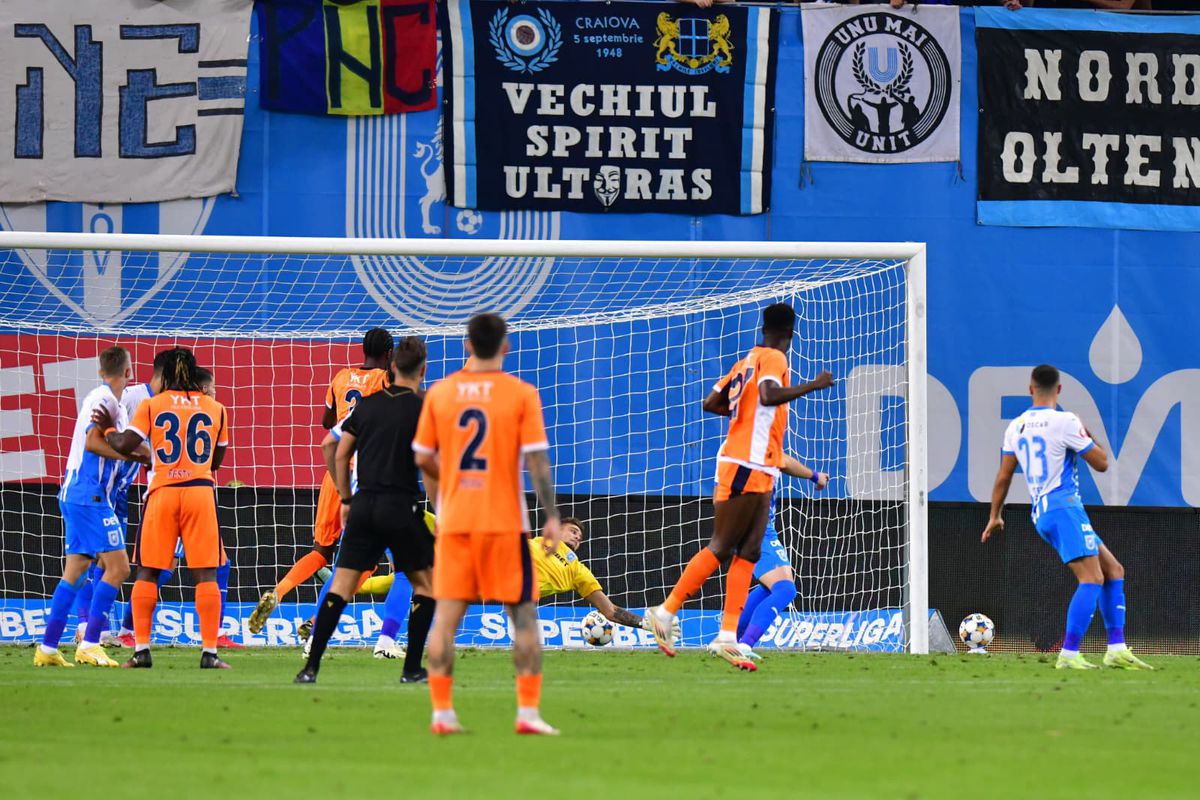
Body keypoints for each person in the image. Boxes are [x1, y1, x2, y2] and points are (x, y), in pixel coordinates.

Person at [644, 303, 834, 670]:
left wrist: (742, 415)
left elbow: (712, 402)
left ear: (764, 328)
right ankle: (665, 611)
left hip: (756, 464)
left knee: (747, 551)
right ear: (790, 333)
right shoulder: (774, 357)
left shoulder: (745, 360)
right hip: (746, 462)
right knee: (723, 546)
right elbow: (768, 395)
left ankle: (728, 636)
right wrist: (813, 385)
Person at [413, 313, 562, 736]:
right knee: (524, 616)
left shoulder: (440, 393)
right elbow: (536, 461)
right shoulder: (520, 394)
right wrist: (552, 516)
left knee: (446, 618)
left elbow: (422, 456)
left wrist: (451, 482)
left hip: (456, 521)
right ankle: (528, 713)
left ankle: (442, 714)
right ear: (505, 347)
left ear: (466, 345)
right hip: (504, 522)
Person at [982, 364, 1152, 670]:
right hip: (1063, 507)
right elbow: (1102, 463)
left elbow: (1004, 476)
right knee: (1092, 578)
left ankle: (1116, 648)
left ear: (1030, 389)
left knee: (1113, 570)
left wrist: (995, 515)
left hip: (1043, 511)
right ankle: (1069, 653)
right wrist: (1086, 433)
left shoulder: (1016, 427)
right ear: (1059, 389)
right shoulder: (1066, 422)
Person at [295, 337, 436, 684]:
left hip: (363, 505)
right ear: (422, 370)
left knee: (342, 585)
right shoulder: (424, 408)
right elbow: (431, 463)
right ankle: (409, 666)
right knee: (425, 583)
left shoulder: (367, 406)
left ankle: (311, 666)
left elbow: (331, 446)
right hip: (401, 507)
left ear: (393, 366)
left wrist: (345, 498)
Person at [249, 328, 393, 634]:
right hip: (367, 476)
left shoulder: (341, 377)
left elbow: (327, 422)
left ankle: (278, 591)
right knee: (365, 563)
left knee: (321, 551)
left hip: (335, 472)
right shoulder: (385, 380)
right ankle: (317, 621)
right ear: (389, 354)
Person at [96, 347, 232, 669]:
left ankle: (141, 650)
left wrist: (108, 429)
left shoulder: (152, 404)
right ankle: (210, 653)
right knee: (206, 574)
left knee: (148, 571)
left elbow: (124, 445)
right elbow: (216, 461)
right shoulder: (216, 408)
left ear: (165, 374)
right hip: (200, 494)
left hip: (163, 493)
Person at [357, 516, 660, 637]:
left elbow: (610, 610)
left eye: (580, 536)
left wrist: (646, 624)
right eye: (572, 530)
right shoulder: (536, 542)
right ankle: (394, 514)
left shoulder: (580, 572)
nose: (577, 536)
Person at [34, 347, 145, 668]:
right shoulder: (105, 399)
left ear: (100, 371)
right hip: (89, 495)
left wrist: (140, 453)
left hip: (78, 494)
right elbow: (93, 442)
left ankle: (48, 648)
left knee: (77, 570)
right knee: (119, 568)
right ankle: (91, 643)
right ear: (129, 372)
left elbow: (111, 441)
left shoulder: (109, 402)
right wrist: (131, 454)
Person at [736, 455, 829, 657]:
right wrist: (815, 476)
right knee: (785, 589)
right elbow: (783, 461)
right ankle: (744, 644)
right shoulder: (759, 441)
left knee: (771, 588)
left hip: (753, 525)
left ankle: (731, 640)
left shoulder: (742, 446)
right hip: (753, 525)